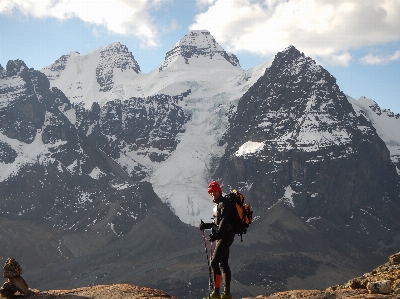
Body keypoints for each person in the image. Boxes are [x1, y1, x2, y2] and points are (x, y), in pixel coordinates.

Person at [199, 181, 235, 299]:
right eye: (211, 192)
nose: (213, 193)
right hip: (225, 236)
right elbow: (217, 223)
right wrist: (206, 226)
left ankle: (216, 292)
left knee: (214, 263)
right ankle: (226, 294)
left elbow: (224, 222)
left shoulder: (224, 203)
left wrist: (217, 235)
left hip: (225, 237)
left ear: (219, 191)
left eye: (214, 191)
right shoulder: (218, 204)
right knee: (223, 264)